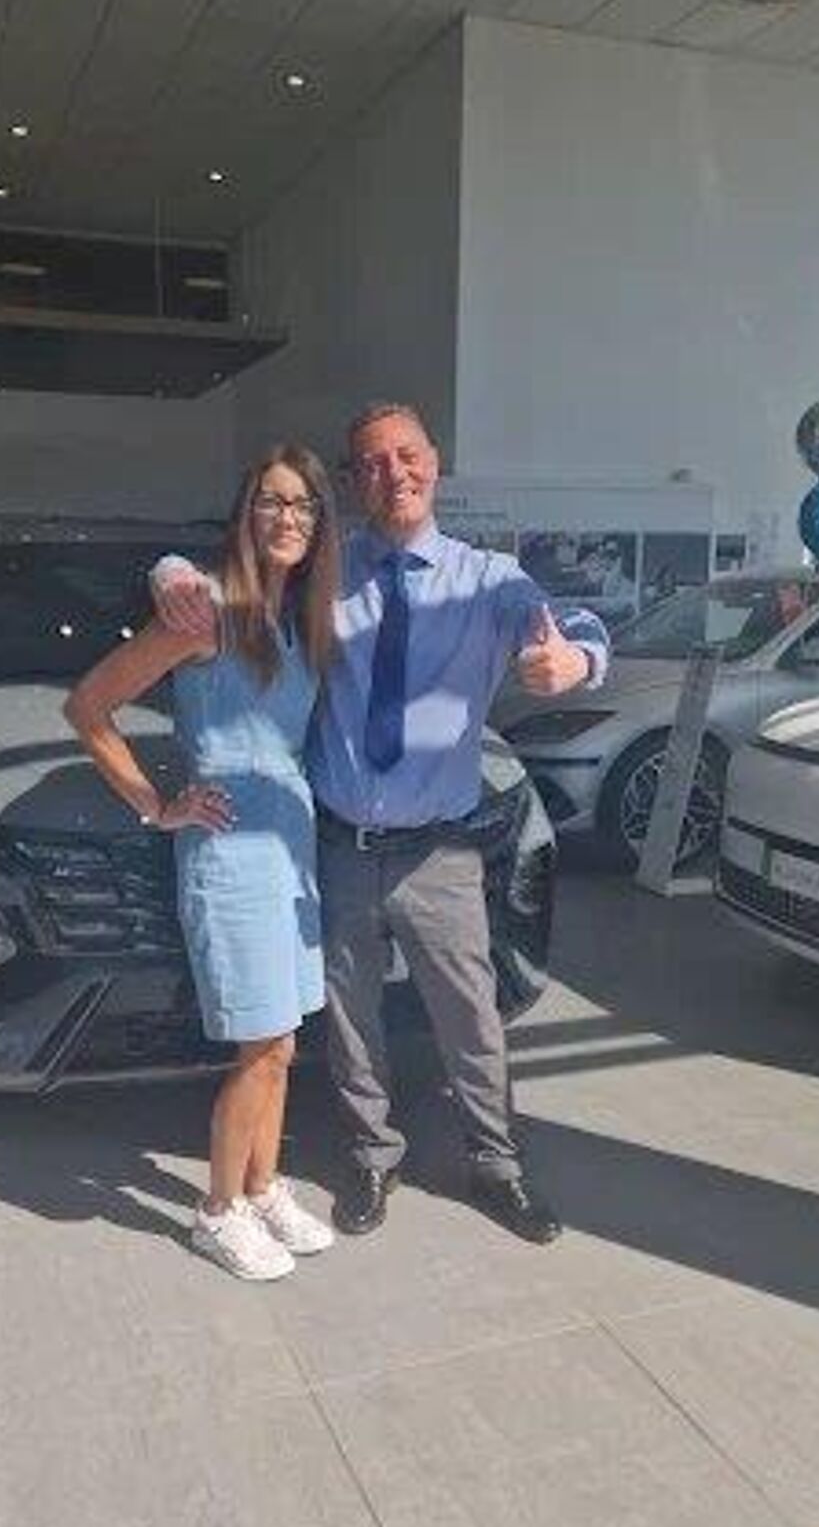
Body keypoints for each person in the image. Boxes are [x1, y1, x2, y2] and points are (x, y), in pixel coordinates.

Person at [153, 402, 611, 1246]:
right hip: (336, 847)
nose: (392, 472)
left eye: (406, 455)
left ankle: (497, 1165)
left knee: (470, 1020)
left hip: (438, 853)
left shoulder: (489, 578)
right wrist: (170, 572)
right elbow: (235, 569)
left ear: (433, 462)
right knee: (351, 1020)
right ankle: (371, 1157)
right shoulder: (329, 575)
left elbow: (574, 623)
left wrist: (577, 660)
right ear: (353, 482)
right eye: (370, 463)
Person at [64, 445, 342, 1281]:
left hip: (291, 850)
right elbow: (89, 705)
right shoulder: (205, 611)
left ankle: (262, 1187)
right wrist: (156, 804)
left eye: (304, 505)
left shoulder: (298, 619)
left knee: (283, 1043)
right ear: (246, 514)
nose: (288, 517)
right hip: (230, 854)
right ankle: (217, 1212)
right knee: (258, 1048)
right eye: (273, 501)